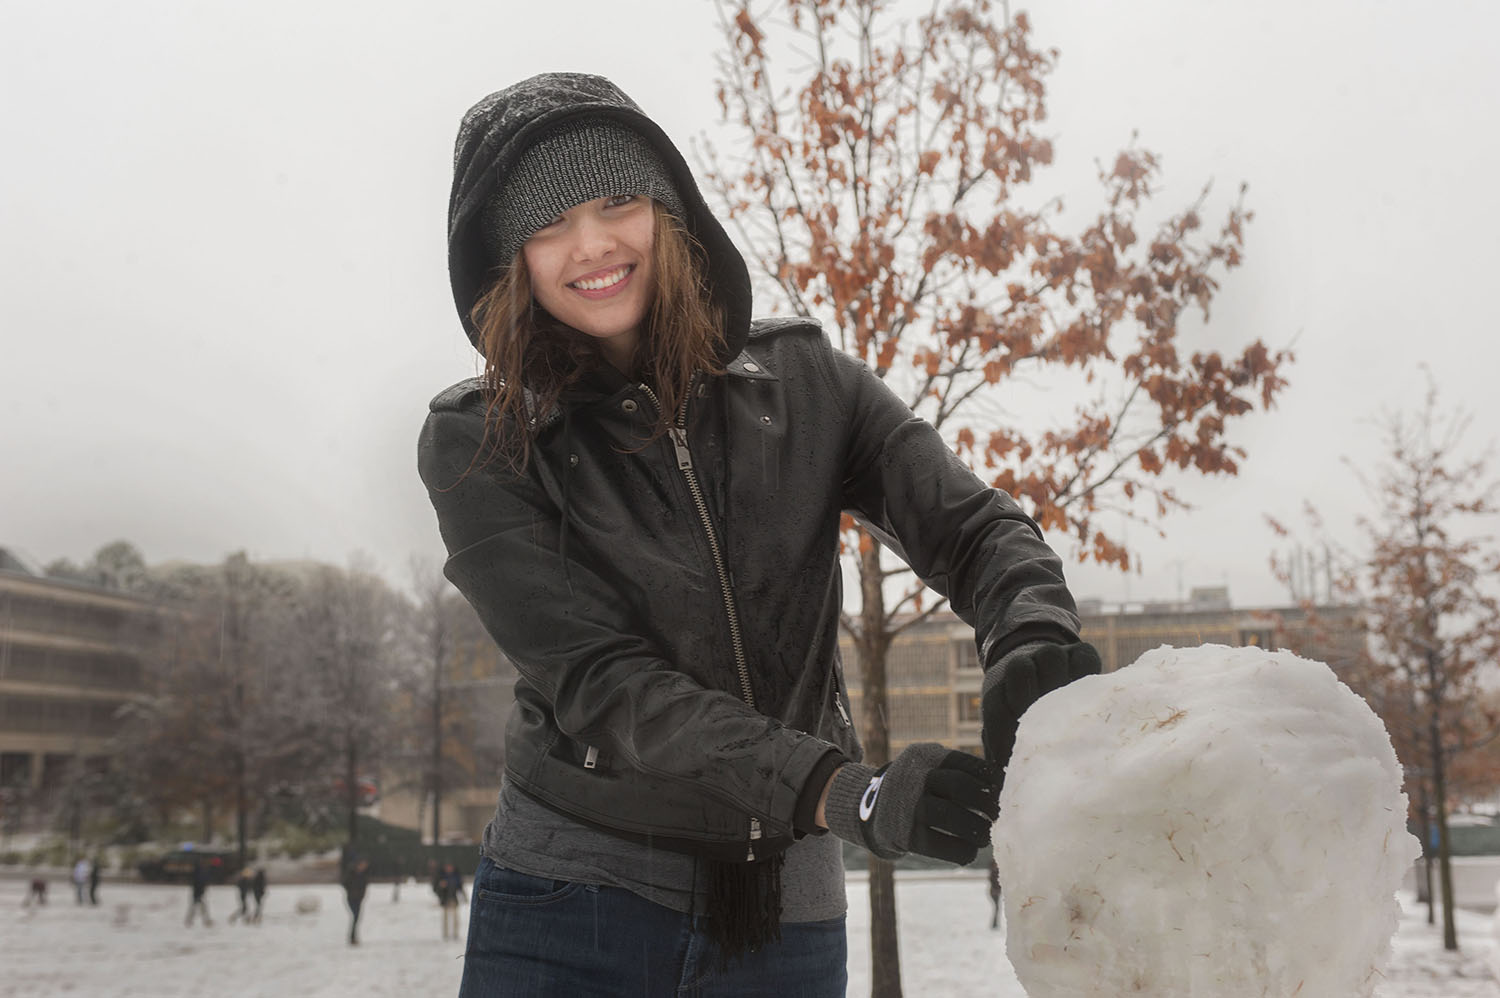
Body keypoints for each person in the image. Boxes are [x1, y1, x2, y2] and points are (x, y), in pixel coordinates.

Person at [419, 72, 1101, 996]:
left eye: (619, 200)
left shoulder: (804, 381)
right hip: (572, 898)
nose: (594, 244)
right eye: (548, 223)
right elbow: (603, 683)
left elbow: (974, 528)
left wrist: (1030, 629)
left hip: (785, 914)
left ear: (669, 211)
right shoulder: (482, 441)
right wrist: (844, 790)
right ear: (508, 258)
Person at [342, 857, 370, 946]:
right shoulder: (351, 873)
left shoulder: (363, 875)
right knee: (355, 917)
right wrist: (352, 891)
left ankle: (353, 937)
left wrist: (361, 896)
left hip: (359, 899)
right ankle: (352, 937)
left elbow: (364, 886)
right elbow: (345, 883)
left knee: (356, 918)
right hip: (351, 898)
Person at [437, 861, 467, 940]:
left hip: (454, 899)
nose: (449, 868)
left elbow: (460, 887)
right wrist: (441, 887)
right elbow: (436, 888)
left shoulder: (456, 876)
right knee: (445, 918)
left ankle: (455, 934)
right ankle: (445, 934)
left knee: (455, 918)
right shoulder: (441, 876)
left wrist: (464, 897)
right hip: (445, 899)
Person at [185, 858, 212, 927]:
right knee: (197, 907)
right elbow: (198, 884)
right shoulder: (199, 873)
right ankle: (206, 921)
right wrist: (200, 893)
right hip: (198, 893)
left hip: (199, 893)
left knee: (197, 907)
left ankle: (190, 920)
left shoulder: (200, 872)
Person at [988, 856, 1003, 930]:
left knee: (997, 908)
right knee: (997, 908)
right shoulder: (994, 873)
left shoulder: (994, 872)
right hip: (994, 892)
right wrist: (996, 890)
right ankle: (994, 924)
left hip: (994, 891)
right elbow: (994, 882)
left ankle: (995, 924)